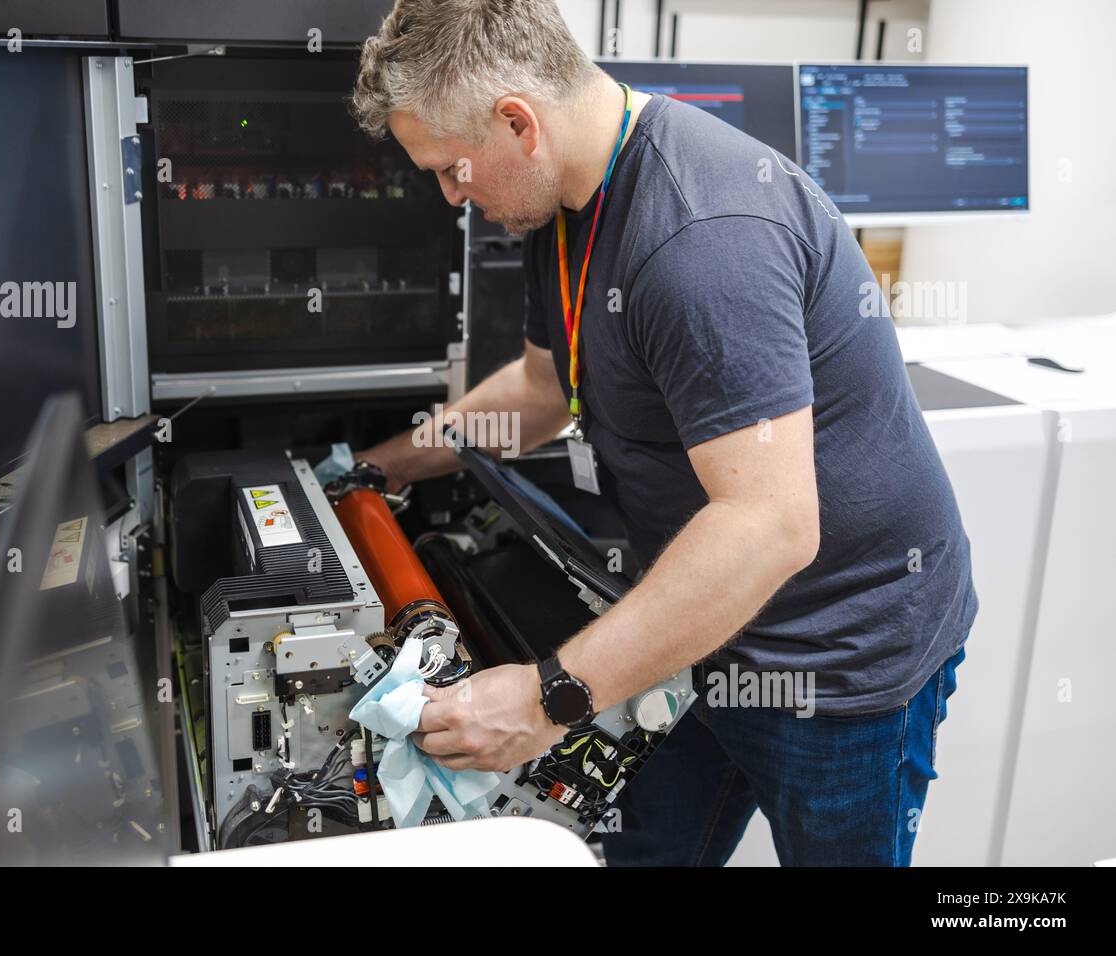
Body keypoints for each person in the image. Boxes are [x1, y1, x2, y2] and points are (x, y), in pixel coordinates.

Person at [348, 0, 975, 866]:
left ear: (518, 123)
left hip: (838, 657)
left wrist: (543, 702)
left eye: (452, 169)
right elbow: (544, 384)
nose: (452, 195)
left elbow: (770, 525)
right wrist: (382, 468)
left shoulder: (700, 240)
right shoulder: (568, 199)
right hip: (699, 626)